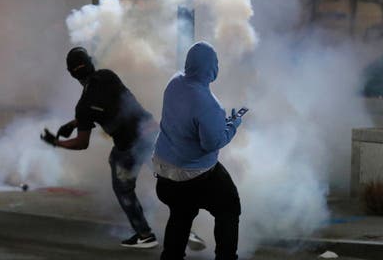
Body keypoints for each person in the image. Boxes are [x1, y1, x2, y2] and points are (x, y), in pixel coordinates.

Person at [40, 46, 159, 248]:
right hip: (150, 133)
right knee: (169, 179)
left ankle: (144, 234)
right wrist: (73, 123)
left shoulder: (84, 106)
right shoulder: (108, 77)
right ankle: (190, 223)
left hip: (128, 147)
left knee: (123, 187)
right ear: (91, 63)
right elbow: (109, 105)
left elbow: (82, 143)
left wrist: (56, 142)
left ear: (72, 74)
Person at [153, 41, 243, 260]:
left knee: (181, 213)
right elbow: (212, 143)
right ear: (211, 68)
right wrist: (232, 126)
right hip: (193, 176)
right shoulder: (209, 104)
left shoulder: (173, 83)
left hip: (164, 173)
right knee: (229, 208)